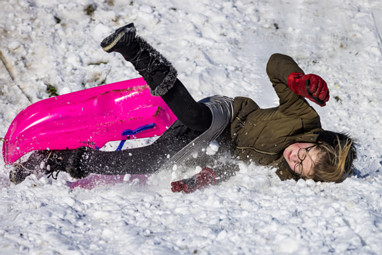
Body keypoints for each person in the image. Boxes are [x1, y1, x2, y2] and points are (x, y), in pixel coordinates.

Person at [10, 23, 357, 193]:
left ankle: (53, 159)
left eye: (302, 168)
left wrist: (202, 179)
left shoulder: (285, 171)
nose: (295, 157)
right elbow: (274, 63)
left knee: (150, 160)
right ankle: (137, 50)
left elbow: (238, 166)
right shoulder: (304, 117)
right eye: (305, 152)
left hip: (217, 145)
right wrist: (296, 79)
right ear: (316, 140)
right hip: (226, 114)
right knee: (192, 119)